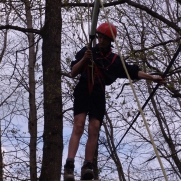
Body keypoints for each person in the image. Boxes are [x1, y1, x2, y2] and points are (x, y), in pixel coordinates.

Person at [63, 22, 165, 181]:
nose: (101, 40)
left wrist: (153, 77)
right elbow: (73, 72)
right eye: (100, 37)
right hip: (84, 88)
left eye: (105, 38)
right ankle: (69, 165)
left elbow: (133, 72)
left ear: (110, 41)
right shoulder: (88, 50)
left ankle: (87, 166)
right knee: (79, 124)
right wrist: (84, 59)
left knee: (94, 128)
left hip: (98, 92)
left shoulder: (114, 60)